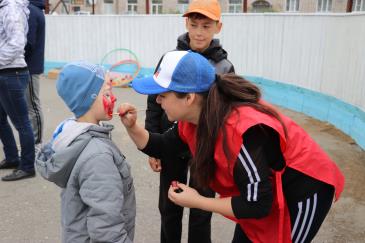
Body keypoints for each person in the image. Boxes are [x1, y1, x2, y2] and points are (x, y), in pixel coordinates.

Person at [118, 50, 345, 243]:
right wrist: (133, 127)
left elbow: (256, 205)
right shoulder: (196, 118)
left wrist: (199, 201)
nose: (157, 101)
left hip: (304, 188)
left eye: (163, 95)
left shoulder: (241, 131)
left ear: (188, 98)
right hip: (262, 190)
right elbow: (164, 146)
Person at [145, 1, 234, 242]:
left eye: (206, 26)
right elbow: (155, 100)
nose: (198, 32)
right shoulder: (170, 59)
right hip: (171, 145)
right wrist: (153, 144)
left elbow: (229, 115)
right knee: (170, 205)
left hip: (204, 150)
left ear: (218, 27)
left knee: (201, 209)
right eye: (194, 25)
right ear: (186, 23)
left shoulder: (224, 67)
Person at [35, 61, 136, 243]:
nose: (114, 99)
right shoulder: (98, 157)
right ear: (87, 99)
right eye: (107, 93)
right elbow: (107, 230)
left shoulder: (72, 133)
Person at [0, 0, 36, 181]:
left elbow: (17, 42)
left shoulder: (11, 8)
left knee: (22, 123)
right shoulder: (5, 8)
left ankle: (28, 166)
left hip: (11, 73)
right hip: (6, 72)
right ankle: (13, 158)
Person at [25, 0, 46, 147]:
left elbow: (29, 43)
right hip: (29, 66)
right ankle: (33, 142)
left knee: (32, 105)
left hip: (30, 67)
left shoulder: (31, 11)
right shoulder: (34, 9)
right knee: (30, 105)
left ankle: (36, 144)